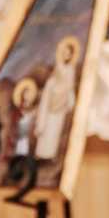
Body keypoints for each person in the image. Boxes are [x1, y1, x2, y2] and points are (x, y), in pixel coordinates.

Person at [33, 35, 81, 169]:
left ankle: (50, 156)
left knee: (54, 132)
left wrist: (70, 101)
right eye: (64, 52)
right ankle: (40, 156)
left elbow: (69, 87)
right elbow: (53, 81)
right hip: (51, 100)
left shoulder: (70, 70)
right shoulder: (57, 66)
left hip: (61, 106)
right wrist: (56, 86)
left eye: (69, 53)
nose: (66, 55)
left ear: (71, 55)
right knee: (46, 129)